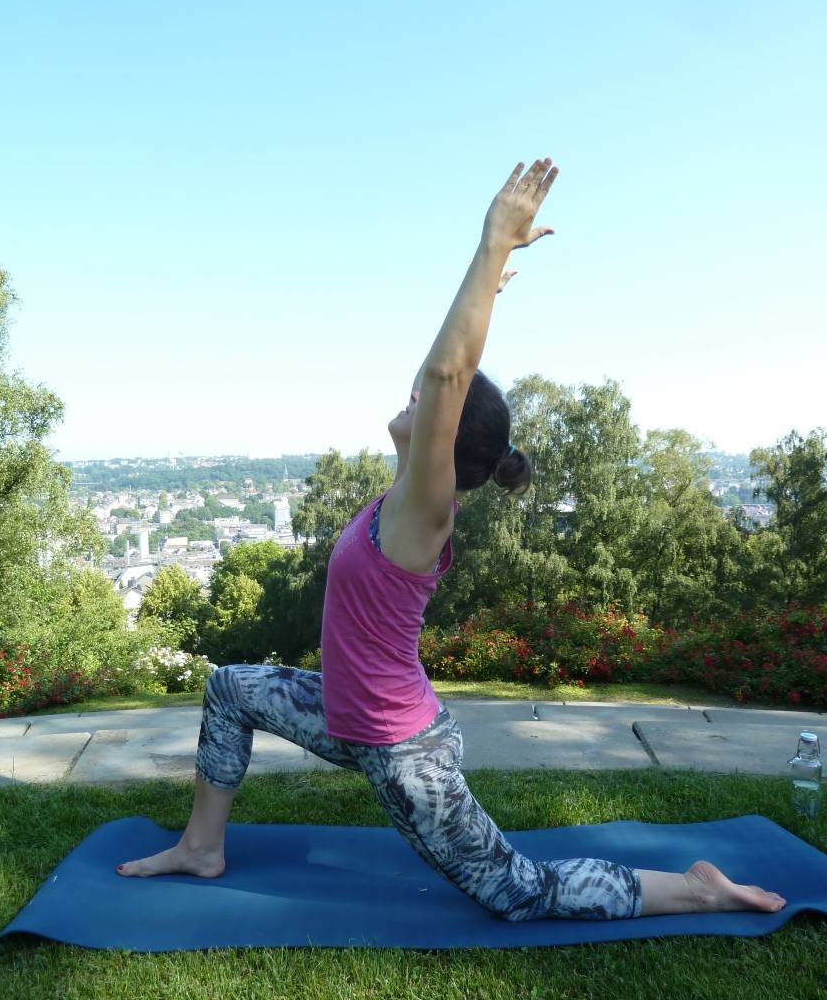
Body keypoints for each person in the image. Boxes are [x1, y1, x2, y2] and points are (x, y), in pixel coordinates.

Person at [118, 159, 786, 921]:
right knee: (229, 688)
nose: (411, 391)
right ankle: (201, 847)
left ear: (445, 439)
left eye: (426, 399)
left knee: (518, 892)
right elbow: (438, 371)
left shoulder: (421, 513)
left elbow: (444, 373)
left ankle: (695, 890)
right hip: (347, 712)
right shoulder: (399, 497)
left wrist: (492, 245)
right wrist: (491, 292)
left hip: (402, 754)